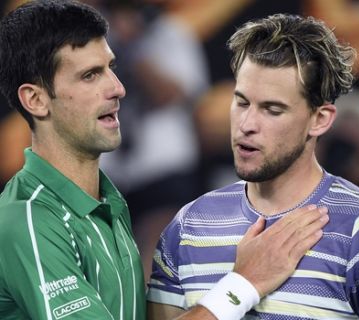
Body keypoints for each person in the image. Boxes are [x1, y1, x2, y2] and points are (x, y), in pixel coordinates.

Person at [0, 2, 328, 319]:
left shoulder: (106, 205)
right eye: (89, 75)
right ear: (36, 100)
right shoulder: (26, 221)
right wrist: (245, 283)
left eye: (111, 68)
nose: (117, 89)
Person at [147, 14, 359, 319]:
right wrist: (242, 284)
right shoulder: (187, 227)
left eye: (272, 109)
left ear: (320, 119)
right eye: (241, 102)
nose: (247, 125)